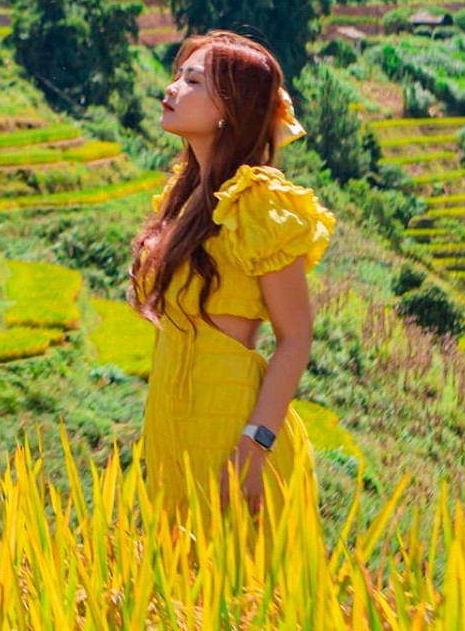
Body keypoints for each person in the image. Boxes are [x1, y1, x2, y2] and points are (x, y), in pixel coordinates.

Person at [127, 30, 334, 520]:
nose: (173, 87)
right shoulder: (184, 199)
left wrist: (255, 443)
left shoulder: (259, 202)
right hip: (170, 418)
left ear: (229, 109)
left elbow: (296, 337)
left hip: (229, 426)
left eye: (193, 80)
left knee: (238, 588)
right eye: (178, 75)